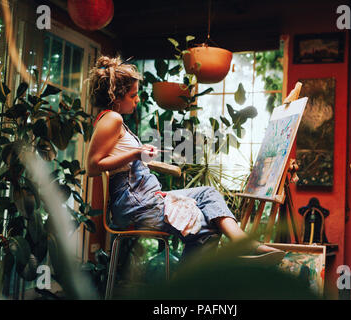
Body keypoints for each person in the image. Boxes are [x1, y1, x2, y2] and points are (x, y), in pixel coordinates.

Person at [85, 55, 283, 261]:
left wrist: (141, 155)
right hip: (137, 205)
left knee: (208, 193)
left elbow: (117, 160)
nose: (137, 99)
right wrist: (136, 153)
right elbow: (92, 167)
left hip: (146, 198)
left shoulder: (114, 120)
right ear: (117, 97)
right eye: (133, 95)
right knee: (205, 229)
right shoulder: (112, 119)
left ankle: (242, 242)